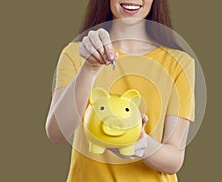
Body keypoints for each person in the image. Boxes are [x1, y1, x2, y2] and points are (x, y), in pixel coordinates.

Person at [45, 0, 195, 181]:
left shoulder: (179, 63)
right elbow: (56, 133)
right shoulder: (77, 54)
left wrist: (140, 143)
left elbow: (174, 160)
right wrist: (90, 68)